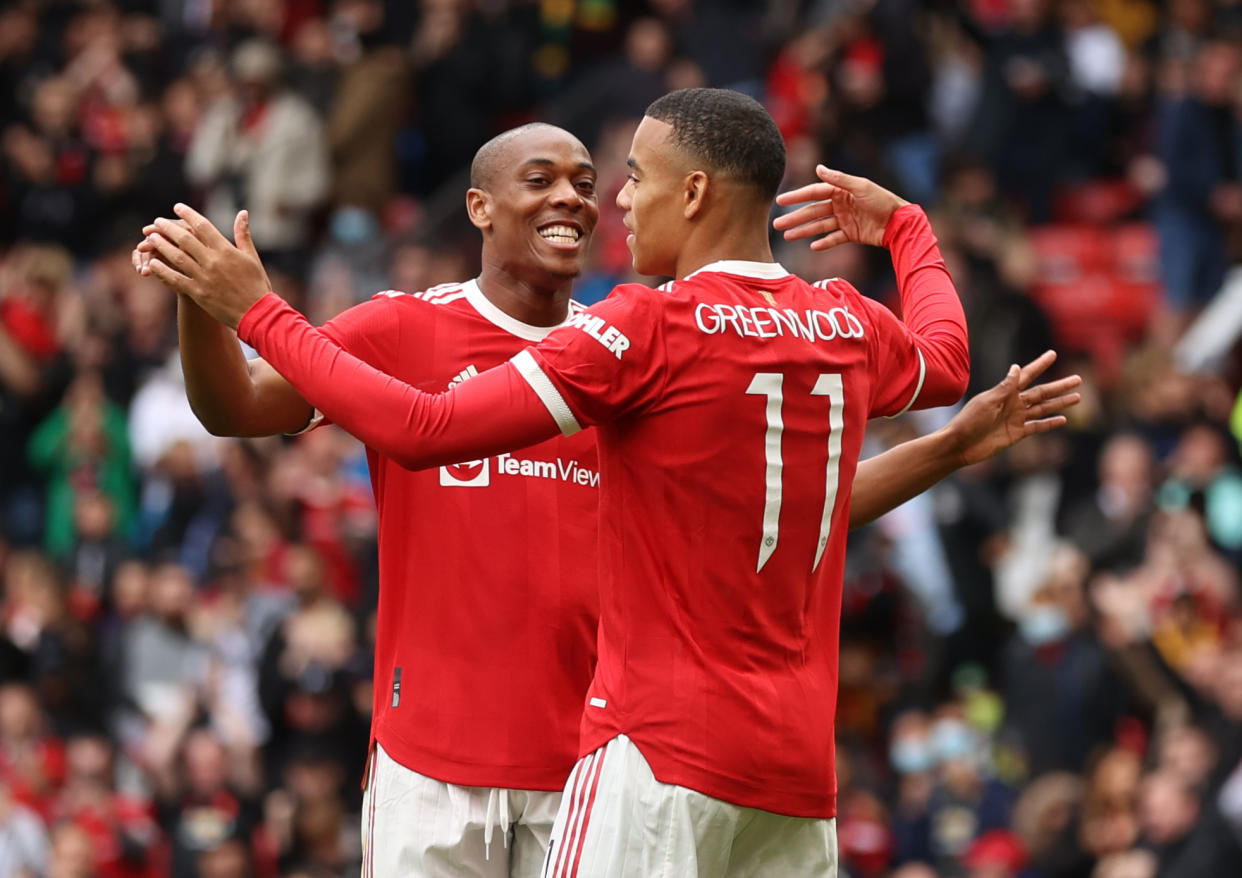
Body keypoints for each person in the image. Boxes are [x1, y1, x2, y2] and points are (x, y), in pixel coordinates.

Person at [139, 97, 1078, 876]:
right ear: (475, 207)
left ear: (692, 191)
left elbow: (423, 430)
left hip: (614, 760)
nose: (597, 200)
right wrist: (203, 305)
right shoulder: (409, 329)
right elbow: (234, 412)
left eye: (607, 179)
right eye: (545, 180)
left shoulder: (631, 341)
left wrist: (256, 308)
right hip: (457, 760)